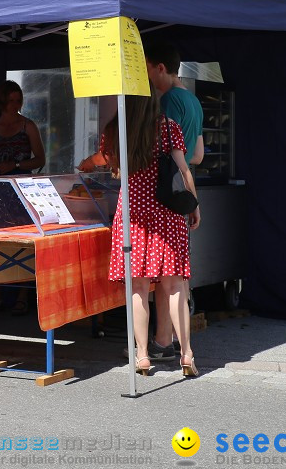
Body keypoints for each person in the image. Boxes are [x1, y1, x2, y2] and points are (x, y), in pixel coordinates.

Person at [101, 93, 200, 378]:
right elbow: (183, 170)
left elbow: (115, 170)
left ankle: (142, 356)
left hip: (132, 214)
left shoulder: (115, 130)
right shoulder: (169, 128)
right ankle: (186, 355)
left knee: (137, 288)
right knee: (174, 286)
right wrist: (194, 205)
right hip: (166, 214)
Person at [144, 43, 204, 360]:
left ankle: (162, 342)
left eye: (149, 68)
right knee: (177, 276)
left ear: (161, 68)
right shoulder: (193, 101)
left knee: (162, 279)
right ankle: (174, 344)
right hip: (183, 193)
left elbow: (164, 155)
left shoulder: (167, 102)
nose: (148, 75)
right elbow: (197, 155)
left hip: (163, 196)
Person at [0, 80, 46, 314]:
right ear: (2, 101)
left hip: (23, 188)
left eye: (18, 101)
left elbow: (40, 159)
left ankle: (22, 295)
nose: (15, 105)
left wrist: (17, 164)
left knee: (24, 244)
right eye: (11, 101)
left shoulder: (28, 125)